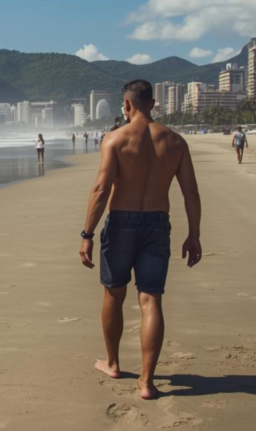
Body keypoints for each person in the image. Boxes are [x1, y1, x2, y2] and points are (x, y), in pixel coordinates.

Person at [78, 79, 202, 400]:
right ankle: (146, 382)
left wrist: (87, 234)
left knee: (114, 294)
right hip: (157, 224)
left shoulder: (116, 139)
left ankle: (113, 363)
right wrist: (194, 235)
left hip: (121, 223)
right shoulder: (175, 141)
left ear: (127, 104)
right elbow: (190, 192)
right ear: (153, 103)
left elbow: (101, 190)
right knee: (151, 301)